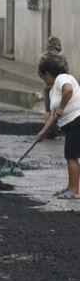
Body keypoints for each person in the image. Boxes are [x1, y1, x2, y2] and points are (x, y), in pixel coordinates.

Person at [37, 58, 80, 199]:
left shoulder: (62, 78)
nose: (44, 80)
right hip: (71, 125)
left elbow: (68, 90)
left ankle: (74, 191)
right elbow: (54, 116)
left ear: (47, 74)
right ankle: (70, 187)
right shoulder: (52, 91)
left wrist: (62, 107)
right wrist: (43, 132)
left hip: (77, 120)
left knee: (71, 156)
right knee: (70, 156)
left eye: (43, 77)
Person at [37, 35, 68, 139]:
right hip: (59, 87)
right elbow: (66, 71)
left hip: (47, 87)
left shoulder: (43, 57)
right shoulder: (61, 57)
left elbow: (39, 72)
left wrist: (46, 81)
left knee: (48, 110)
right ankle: (59, 128)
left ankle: (48, 132)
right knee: (58, 109)